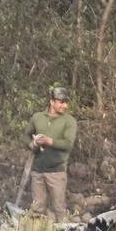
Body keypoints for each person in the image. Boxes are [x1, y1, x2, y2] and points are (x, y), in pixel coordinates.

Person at [25, 87, 77, 222]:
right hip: (37, 171)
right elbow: (25, 136)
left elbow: (68, 145)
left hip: (57, 171)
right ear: (52, 102)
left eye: (66, 102)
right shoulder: (37, 117)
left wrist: (49, 141)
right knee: (37, 210)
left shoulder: (69, 121)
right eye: (61, 102)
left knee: (59, 209)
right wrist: (32, 144)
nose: (65, 106)